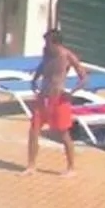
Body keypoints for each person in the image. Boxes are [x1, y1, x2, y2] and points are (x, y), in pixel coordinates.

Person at [24, 27, 90, 176]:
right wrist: (35, 79)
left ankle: (71, 168)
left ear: (56, 43)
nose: (45, 45)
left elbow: (84, 77)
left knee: (63, 133)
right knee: (33, 130)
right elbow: (43, 65)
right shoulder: (46, 52)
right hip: (43, 97)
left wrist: (71, 92)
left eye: (47, 42)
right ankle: (31, 166)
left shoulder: (67, 56)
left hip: (59, 98)